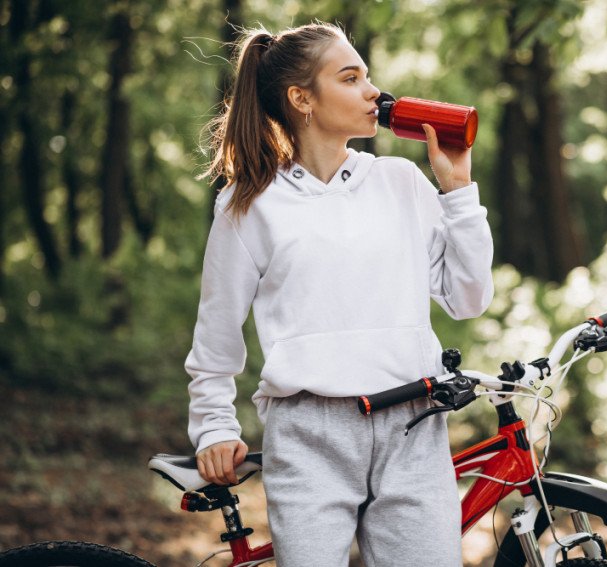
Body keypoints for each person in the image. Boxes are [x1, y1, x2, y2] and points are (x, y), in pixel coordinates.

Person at [185, 21, 494, 567]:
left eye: (367, 76)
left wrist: (459, 192)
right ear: (301, 98)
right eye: (351, 78)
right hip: (309, 434)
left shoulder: (401, 180)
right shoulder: (249, 203)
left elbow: (467, 300)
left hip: (414, 425)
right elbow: (217, 330)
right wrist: (214, 425)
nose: (373, 91)